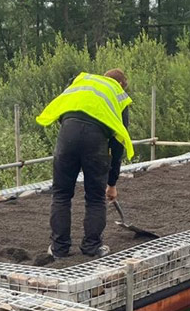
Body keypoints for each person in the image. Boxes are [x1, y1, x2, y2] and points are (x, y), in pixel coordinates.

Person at [35, 69, 133, 259]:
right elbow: (118, 142)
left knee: (61, 195)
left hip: (67, 135)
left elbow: (63, 112)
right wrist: (112, 183)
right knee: (95, 198)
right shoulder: (118, 94)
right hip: (95, 141)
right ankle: (91, 247)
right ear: (121, 84)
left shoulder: (81, 83)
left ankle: (59, 249)